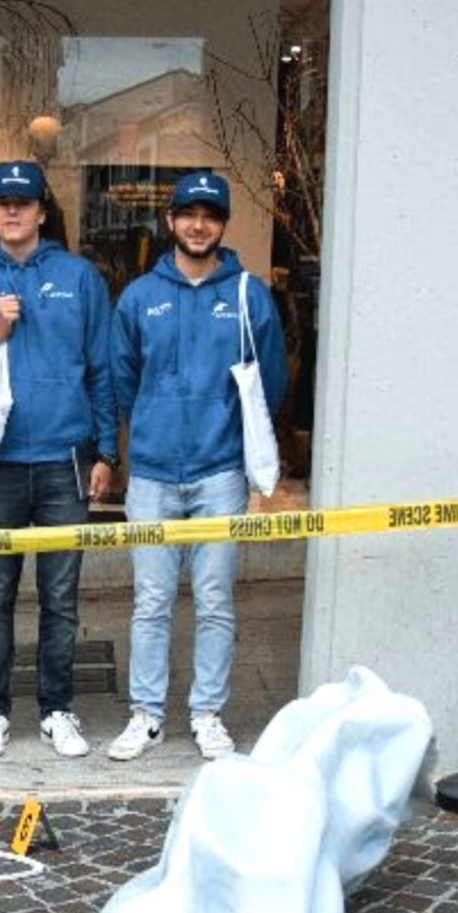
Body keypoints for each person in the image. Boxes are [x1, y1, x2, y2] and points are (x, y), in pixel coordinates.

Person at [0, 159, 120, 761]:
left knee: (61, 599)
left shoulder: (79, 277)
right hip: (0, 466)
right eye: (2, 202)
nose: (12, 211)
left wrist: (106, 451)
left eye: (24, 202)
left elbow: (102, 369)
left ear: (41, 211)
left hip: (65, 459)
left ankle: (57, 710)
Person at [105, 170, 285, 764]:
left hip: (219, 472)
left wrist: (228, 437)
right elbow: (123, 380)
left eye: (210, 215)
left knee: (214, 598)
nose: (199, 225)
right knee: (151, 600)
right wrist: (150, 427)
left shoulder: (248, 296)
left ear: (223, 224)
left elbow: (272, 382)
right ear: (171, 221)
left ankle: (207, 713)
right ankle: (147, 715)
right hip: (153, 473)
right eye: (188, 214)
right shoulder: (139, 297)